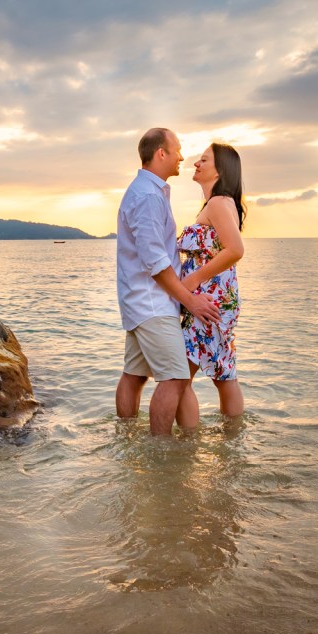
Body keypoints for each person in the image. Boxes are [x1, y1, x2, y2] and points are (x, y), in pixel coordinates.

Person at [115, 128, 221, 436]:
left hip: (140, 300)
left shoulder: (147, 191)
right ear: (161, 153)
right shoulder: (148, 196)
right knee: (174, 378)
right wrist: (190, 301)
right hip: (152, 302)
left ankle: (125, 437)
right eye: (177, 150)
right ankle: (160, 451)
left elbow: (155, 251)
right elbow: (156, 263)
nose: (182, 157)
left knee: (134, 375)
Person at [176, 143, 246, 418]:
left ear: (220, 171)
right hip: (219, 300)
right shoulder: (220, 203)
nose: (196, 163)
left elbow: (236, 250)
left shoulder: (218, 203)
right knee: (224, 374)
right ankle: (232, 442)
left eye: (204, 160)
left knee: (179, 378)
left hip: (207, 302)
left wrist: (191, 281)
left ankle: (186, 448)